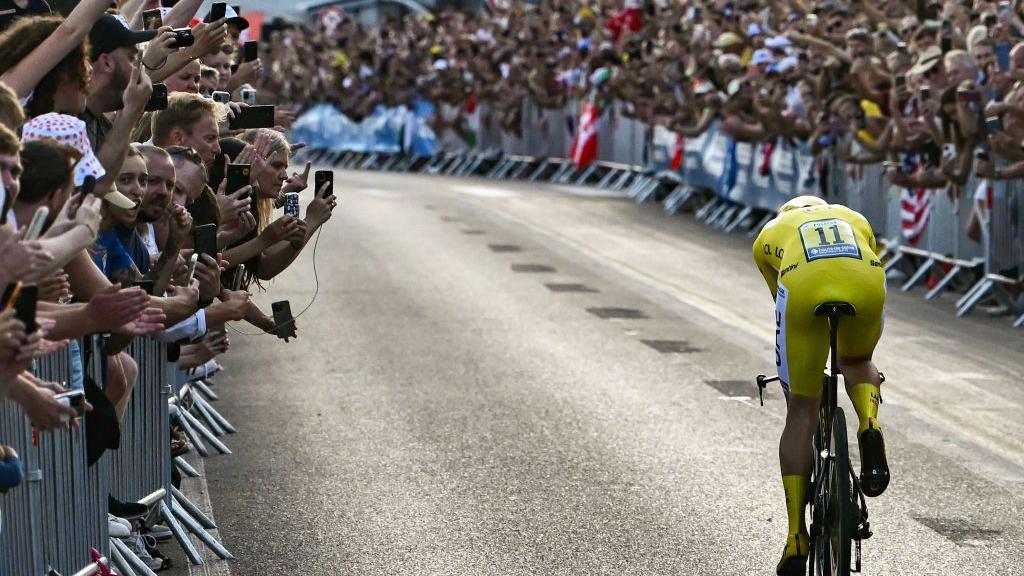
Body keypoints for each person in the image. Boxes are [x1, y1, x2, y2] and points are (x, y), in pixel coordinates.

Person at [752, 195, 890, 576]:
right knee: (858, 361)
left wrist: (797, 381)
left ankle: (796, 535)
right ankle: (869, 425)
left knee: (801, 409)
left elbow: (780, 307)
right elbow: (868, 254)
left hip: (804, 287)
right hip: (864, 280)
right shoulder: (853, 216)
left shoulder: (768, 236)